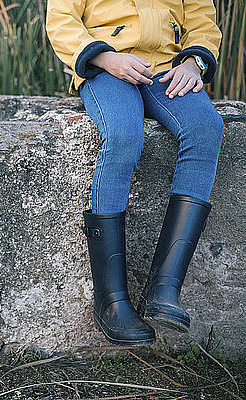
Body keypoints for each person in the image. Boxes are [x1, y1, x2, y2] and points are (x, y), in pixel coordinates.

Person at [46, 0, 223, 345]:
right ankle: (111, 301)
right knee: (125, 135)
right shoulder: (104, 62)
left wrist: (193, 63)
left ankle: (164, 288)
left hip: (167, 73)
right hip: (107, 70)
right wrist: (105, 57)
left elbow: (202, 17)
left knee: (206, 128)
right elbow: (61, 19)